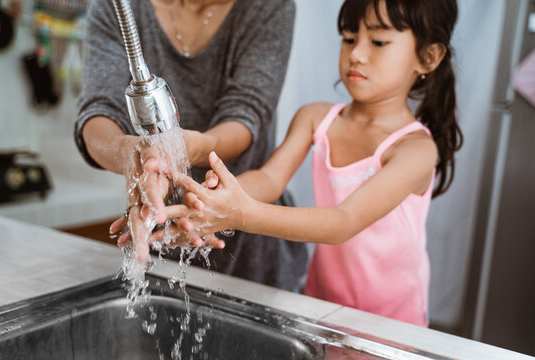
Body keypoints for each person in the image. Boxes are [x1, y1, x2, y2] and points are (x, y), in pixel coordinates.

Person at [167, 0, 463, 326]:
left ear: (428, 57)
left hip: (393, 323)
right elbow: (268, 179)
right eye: (349, 38)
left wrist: (241, 214)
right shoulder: (315, 118)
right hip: (321, 306)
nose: (357, 54)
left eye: (378, 42)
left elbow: (343, 222)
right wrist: (206, 201)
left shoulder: (416, 150)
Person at [75, 0, 309, 292]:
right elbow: (99, 111)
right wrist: (130, 154)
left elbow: (246, 113)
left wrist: (184, 150)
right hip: (159, 239)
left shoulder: (268, 6)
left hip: (255, 257)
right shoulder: (119, 6)